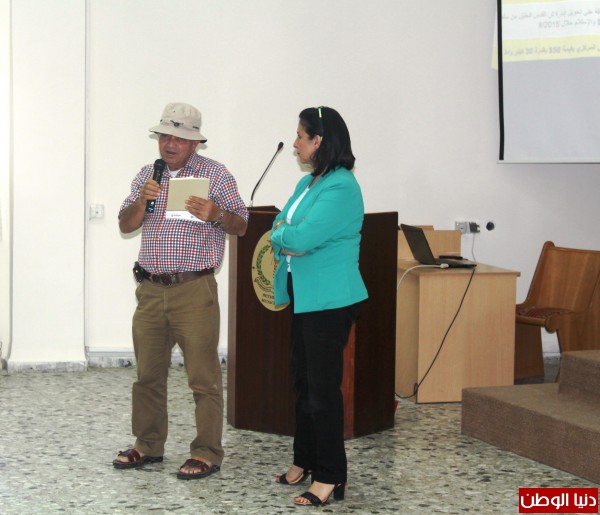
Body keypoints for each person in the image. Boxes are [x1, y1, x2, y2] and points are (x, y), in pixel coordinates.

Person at [113, 102, 248, 480]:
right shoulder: (148, 174)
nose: (169, 144)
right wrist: (142, 201)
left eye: (179, 138)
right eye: (165, 136)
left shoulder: (216, 175)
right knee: (147, 376)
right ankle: (148, 444)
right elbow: (125, 225)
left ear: (195, 143)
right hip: (150, 290)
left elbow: (241, 225)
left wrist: (216, 215)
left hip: (194, 290)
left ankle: (206, 452)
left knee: (203, 379)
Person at [270, 106, 368, 506]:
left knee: (322, 391)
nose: (295, 143)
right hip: (305, 296)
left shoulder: (342, 187)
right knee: (303, 383)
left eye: (300, 136)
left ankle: (330, 476)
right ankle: (304, 460)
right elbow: (279, 224)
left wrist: (286, 236)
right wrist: (286, 234)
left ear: (319, 141)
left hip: (330, 300)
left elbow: (298, 239)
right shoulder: (308, 182)